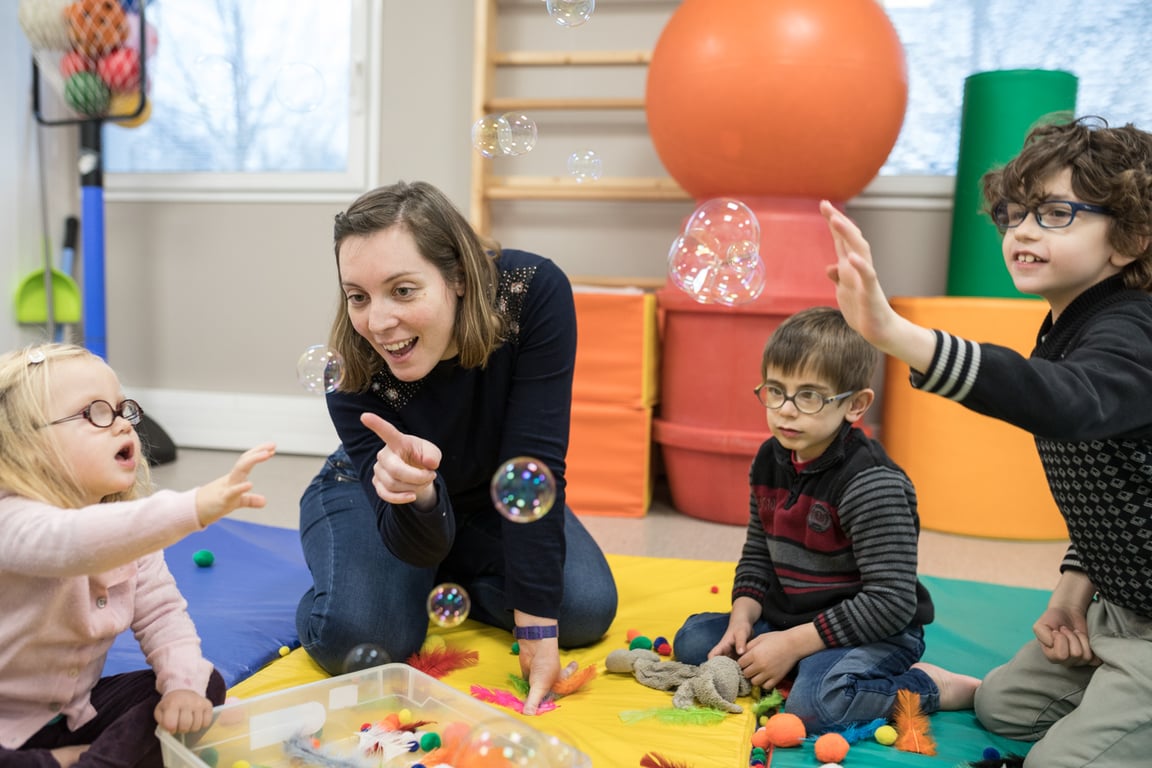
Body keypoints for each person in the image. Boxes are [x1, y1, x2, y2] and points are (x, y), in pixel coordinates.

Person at [822, 116, 1152, 766]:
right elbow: (1123, 484)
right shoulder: (1070, 323)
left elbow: (1069, 403)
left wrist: (898, 335)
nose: (1022, 230)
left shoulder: (1134, 330)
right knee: (1003, 707)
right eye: (1014, 212)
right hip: (1116, 606)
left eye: (1057, 213)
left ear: (1132, 238)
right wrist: (1074, 588)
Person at [295, 180, 618, 715]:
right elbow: (410, 536)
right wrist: (420, 498)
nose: (377, 322)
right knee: (358, 639)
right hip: (375, 493)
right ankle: (378, 577)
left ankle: (436, 578)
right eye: (358, 296)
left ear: (459, 278)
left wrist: (536, 626)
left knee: (581, 611)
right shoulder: (350, 372)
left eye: (402, 290)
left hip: (490, 493)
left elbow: (531, 469)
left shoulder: (532, 292)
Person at [672, 306, 979, 733]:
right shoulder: (769, 458)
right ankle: (801, 662)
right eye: (776, 391)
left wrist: (794, 643)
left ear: (855, 405)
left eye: (810, 396)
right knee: (693, 643)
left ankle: (930, 686)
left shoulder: (872, 483)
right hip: (792, 617)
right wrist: (742, 617)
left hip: (873, 630)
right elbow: (759, 552)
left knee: (817, 706)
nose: (786, 411)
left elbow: (891, 603)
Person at [0, 343, 276, 768]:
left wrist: (182, 687)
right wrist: (195, 506)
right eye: (95, 413)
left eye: (121, 408)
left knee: (202, 683)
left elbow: (162, 615)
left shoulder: (124, 531)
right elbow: (72, 542)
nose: (122, 426)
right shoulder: (10, 519)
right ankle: (61, 762)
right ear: (29, 447)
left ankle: (79, 759)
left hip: (71, 714)